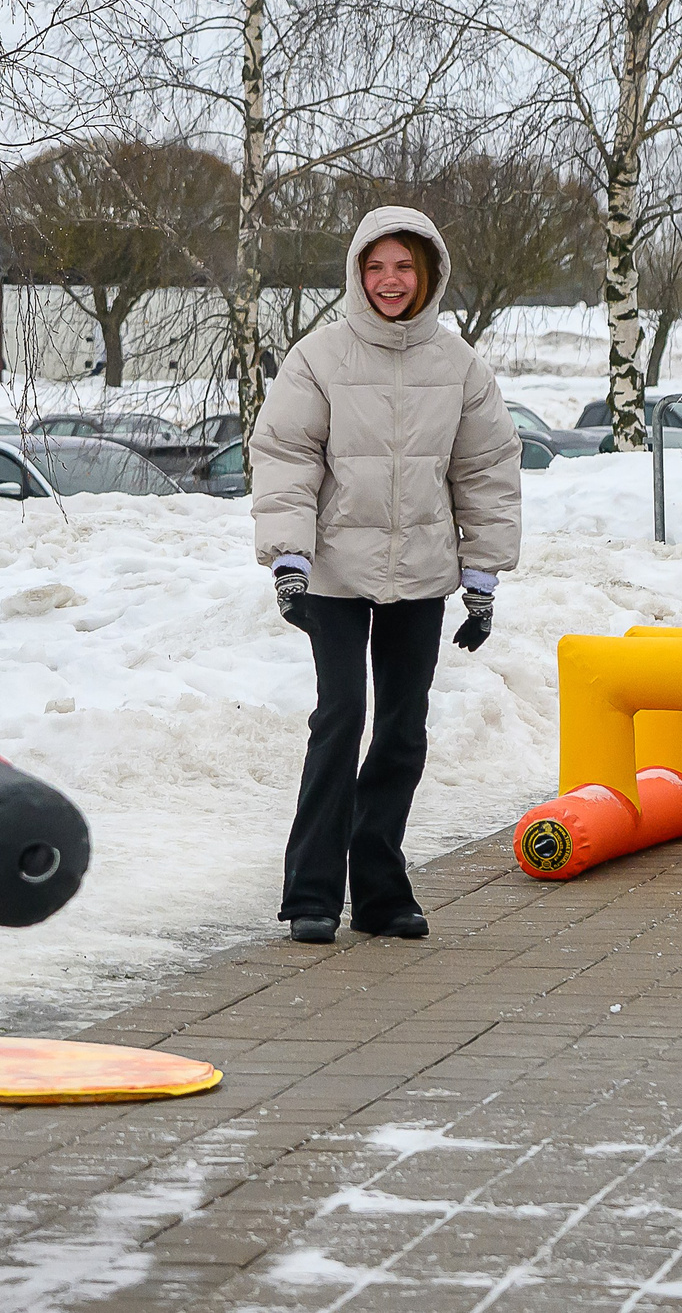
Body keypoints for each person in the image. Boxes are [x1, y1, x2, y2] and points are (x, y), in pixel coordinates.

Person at [250, 205, 524, 944]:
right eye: (375, 267)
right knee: (340, 717)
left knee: (403, 731)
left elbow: (487, 470)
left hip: (423, 574)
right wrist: (289, 561)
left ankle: (378, 891)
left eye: (403, 266)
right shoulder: (320, 357)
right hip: (332, 574)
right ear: (356, 273)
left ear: (428, 270)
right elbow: (285, 455)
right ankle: (311, 894)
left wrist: (483, 577)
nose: (389, 281)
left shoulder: (458, 366)